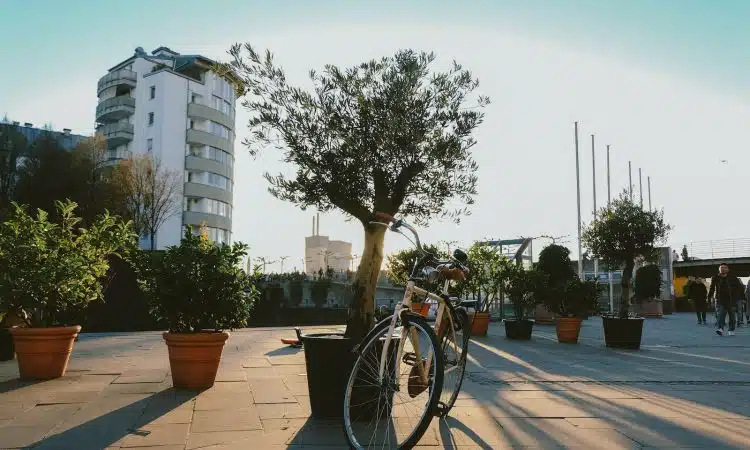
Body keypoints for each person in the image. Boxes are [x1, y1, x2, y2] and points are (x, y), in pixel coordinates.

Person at [707, 263, 745, 336]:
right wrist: (709, 298)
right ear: (719, 269)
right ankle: (720, 329)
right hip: (720, 299)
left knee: (732, 316)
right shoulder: (715, 277)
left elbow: (739, 289)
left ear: (728, 269)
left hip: (731, 300)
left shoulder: (733, 278)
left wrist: (742, 298)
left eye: (724, 267)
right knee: (720, 314)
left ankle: (731, 329)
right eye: (721, 268)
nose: (722, 269)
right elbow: (712, 288)